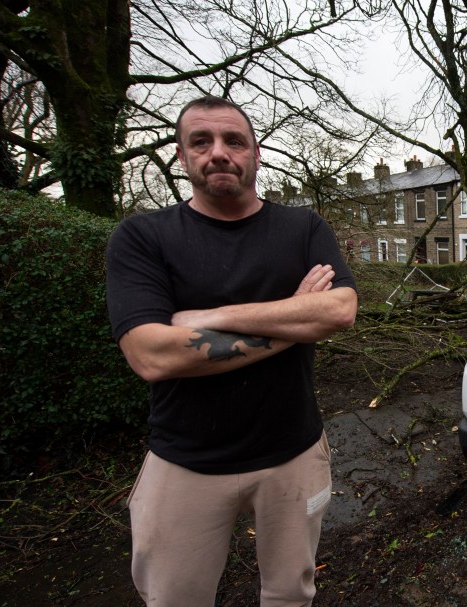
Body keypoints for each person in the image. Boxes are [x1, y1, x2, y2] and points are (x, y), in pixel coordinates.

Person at [105, 95, 357, 606]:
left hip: (294, 452)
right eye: (201, 141)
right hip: (186, 461)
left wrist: (207, 318)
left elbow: (338, 311)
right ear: (182, 156)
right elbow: (154, 355)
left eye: (233, 140)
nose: (218, 152)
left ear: (256, 154)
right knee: (174, 598)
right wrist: (294, 316)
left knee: (290, 594)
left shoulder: (302, 227)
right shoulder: (142, 236)